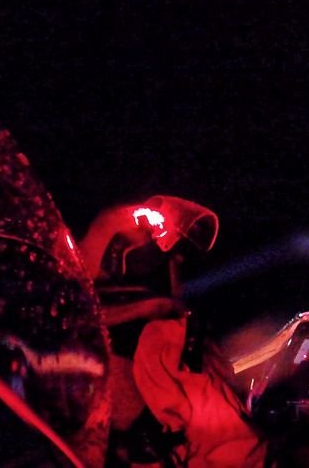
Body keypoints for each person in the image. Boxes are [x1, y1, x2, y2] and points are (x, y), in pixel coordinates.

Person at [79, 195, 265, 467]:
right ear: (140, 264)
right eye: (175, 262)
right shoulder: (162, 339)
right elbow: (234, 449)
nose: (180, 274)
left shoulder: (73, 339)